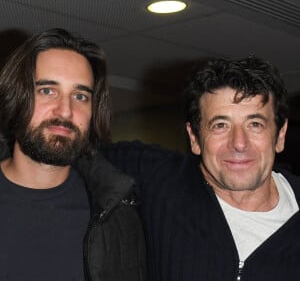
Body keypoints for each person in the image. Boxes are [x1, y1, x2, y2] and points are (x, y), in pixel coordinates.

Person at [76, 56, 300, 280]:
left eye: (255, 124)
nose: (239, 143)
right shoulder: (157, 177)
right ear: (194, 137)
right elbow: (71, 152)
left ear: (280, 135)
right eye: (220, 125)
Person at [0, 28, 146, 280]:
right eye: (47, 90)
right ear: (17, 97)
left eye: (80, 96)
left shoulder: (116, 216)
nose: (66, 111)